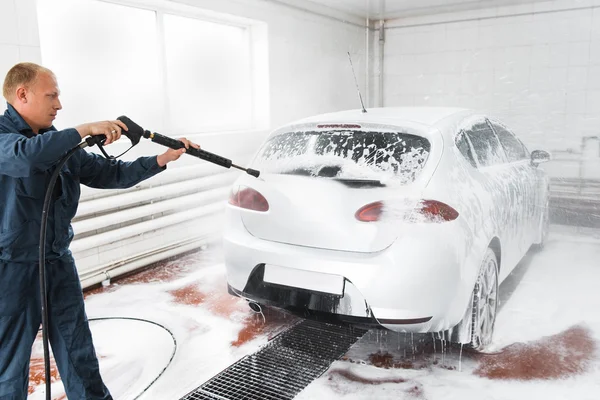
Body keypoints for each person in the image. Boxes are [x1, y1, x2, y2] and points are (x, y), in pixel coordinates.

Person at [0, 62, 199, 399]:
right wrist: (82, 129)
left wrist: (161, 160)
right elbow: (26, 159)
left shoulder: (57, 142)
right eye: (52, 96)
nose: (59, 105)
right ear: (22, 94)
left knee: (78, 352)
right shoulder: (8, 140)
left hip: (57, 261)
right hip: (12, 268)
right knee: (9, 364)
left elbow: (110, 174)